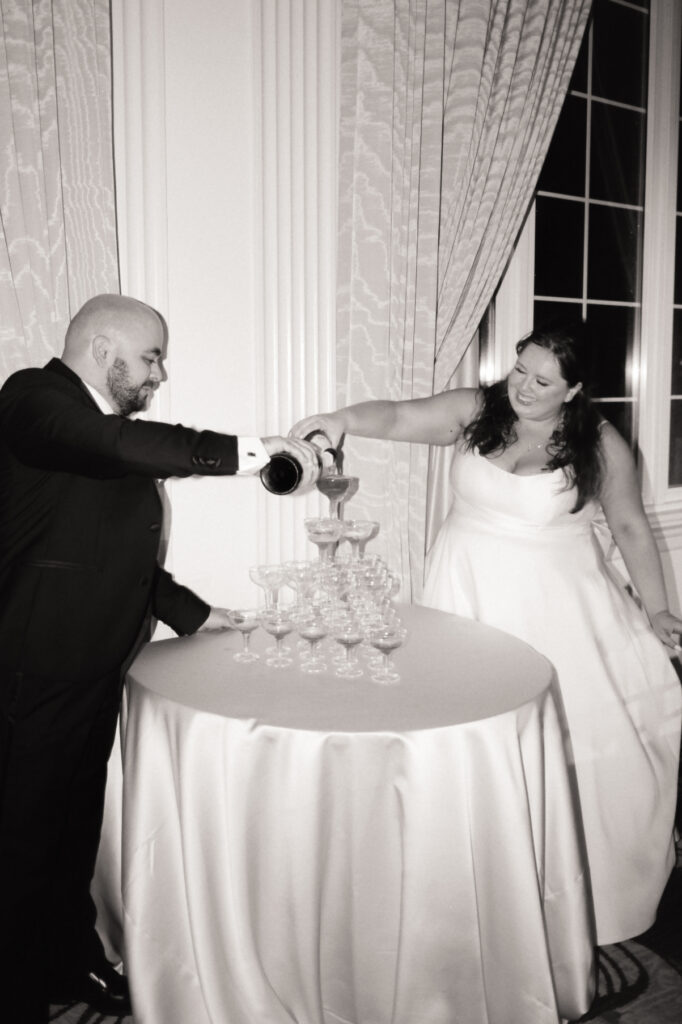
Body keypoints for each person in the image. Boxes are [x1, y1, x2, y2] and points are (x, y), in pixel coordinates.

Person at [291, 324, 682, 947]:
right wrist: (340, 417)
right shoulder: (478, 410)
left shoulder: (600, 442)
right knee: (469, 740)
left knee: (568, 743)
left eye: (542, 380)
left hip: (559, 609)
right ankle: (469, 893)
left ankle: (573, 900)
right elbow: (395, 417)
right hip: (467, 596)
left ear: (574, 390)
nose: (523, 387)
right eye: (520, 369)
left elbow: (631, 525)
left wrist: (659, 609)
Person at [0, 293, 317, 1024]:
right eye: (151, 357)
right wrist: (254, 454)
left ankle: (65, 961)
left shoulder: (101, 431)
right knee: (17, 846)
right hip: (32, 670)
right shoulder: (34, 400)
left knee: (71, 831)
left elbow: (106, 553)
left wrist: (197, 615)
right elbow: (115, 452)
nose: (161, 373)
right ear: (104, 351)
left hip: (90, 669)